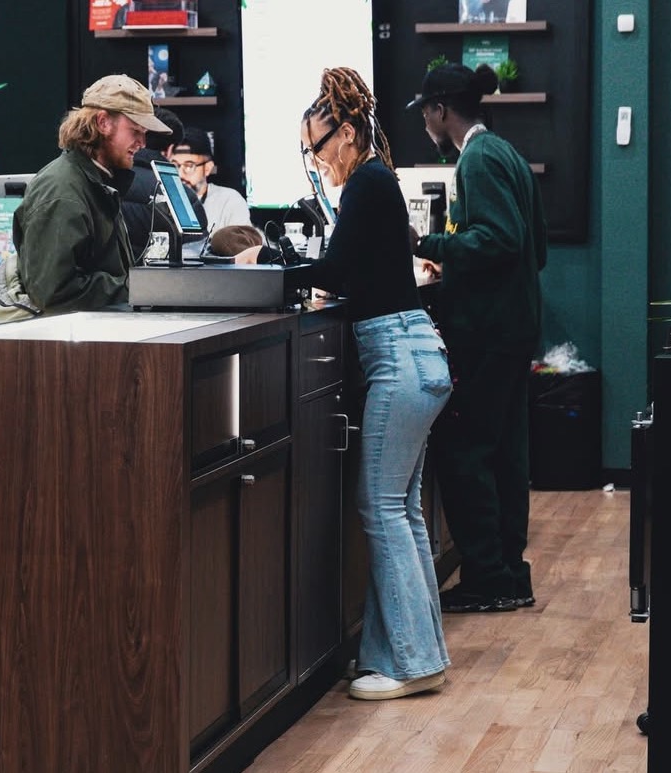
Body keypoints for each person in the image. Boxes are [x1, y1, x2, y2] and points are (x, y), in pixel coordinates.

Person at [288, 67, 452, 701]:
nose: (316, 160)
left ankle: (414, 664)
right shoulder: (375, 182)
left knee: (381, 510)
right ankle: (409, 655)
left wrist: (273, 268)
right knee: (402, 511)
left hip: (398, 360)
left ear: (347, 135)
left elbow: (338, 267)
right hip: (417, 357)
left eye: (318, 146)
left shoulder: (367, 185)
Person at [407, 62, 547, 613]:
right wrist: (465, 261)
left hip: (486, 333)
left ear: (441, 109)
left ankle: (487, 576)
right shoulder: (506, 152)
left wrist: (432, 247)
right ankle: (511, 572)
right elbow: (534, 247)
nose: (423, 121)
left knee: (465, 450)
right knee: (508, 455)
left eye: (425, 111)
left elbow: (502, 240)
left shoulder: (479, 159)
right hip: (514, 329)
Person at [0, 74, 170, 323]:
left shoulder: (96, 180)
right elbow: (54, 292)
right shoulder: (62, 192)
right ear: (103, 123)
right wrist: (137, 288)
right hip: (59, 350)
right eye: (135, 131)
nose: (142, 143)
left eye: (144, 133)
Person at [120, 106, 208, 262]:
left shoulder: (107, 181)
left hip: (111, 283)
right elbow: (194, 255)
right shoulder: (184, 197)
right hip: (161, 284)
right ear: (170, 149)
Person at [168, 127, 252, 231]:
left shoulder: (229, 201)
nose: (179, 174)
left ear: (208, 168)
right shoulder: (161, 201)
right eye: (174, 166)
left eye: (189, 166)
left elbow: (242, 244)